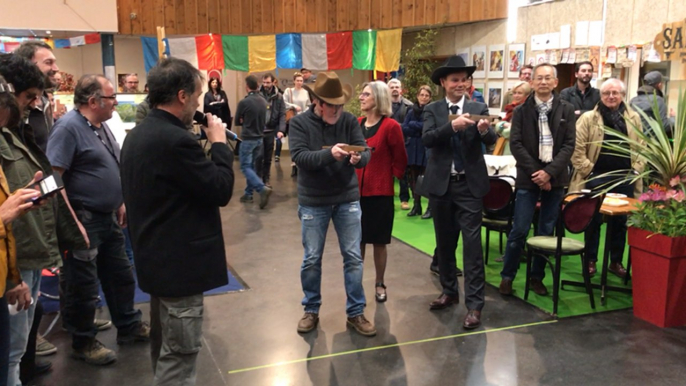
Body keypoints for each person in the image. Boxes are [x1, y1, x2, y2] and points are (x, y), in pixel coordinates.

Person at [121, 57, 234, 386]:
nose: (199, 103)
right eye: (197, 96)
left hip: (156, 262)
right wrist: (219, 144)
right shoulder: (175, 141)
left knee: (165, 348)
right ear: (182, 96)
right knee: (180, 358)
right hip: (179, 267)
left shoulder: (139, 134)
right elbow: (220, 189)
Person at [47, 74, 149, 366]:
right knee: (83, 284)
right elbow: (54, 178)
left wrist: (119, 200)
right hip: (84, 218)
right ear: (93, 101)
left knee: (120, 275)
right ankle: (83, 341)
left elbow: (111, 165)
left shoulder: (99, 126)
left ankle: (128, 326)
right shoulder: (68, 129)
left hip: (107, 217)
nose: (116, 103)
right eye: (110, 98)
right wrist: (71, 222)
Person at [0, 55, 88, 386]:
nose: (33, 104)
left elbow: (40, 177)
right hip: (15, 257)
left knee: (16, 348)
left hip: (29, 250)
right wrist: (12, 278)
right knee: (10, 352)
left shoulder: (12, 134)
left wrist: (40, 192)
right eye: (27, 98)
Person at [289, 72, 375, 336]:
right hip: (314, 201)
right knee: (312, 259)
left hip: (347, 199)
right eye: (332, 105)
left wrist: (356, 159)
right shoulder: (300, 124)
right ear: (318, 102)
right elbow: (300, 157)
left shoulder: (349, 121)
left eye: (340, 104)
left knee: (353, 257)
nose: (337, 110)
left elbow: (365, 151)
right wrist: (330, 154)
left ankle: (356, 312)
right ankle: (311, 309)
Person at [422, 55, 497, 330]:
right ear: (444, 83)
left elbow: (491, 141)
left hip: (469, 185)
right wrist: (450, 126)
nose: (461, 84)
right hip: (442, 185)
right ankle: (449, 291)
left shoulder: (479, 106)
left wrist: (486, 131)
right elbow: (427, 139)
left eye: (464, 79)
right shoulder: (432, 110)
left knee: (473, 246)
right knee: (444, 242)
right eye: (455, 80)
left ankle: (475, 305)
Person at [498, 63, 576, 297]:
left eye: (547, 78)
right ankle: (507, 277)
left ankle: (536, 277)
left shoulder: (567, 109)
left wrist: (549, 173)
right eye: (538, 78)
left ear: (555, 82)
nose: (543, 82)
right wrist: (538, 174)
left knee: (546, 230)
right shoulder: (521, 111)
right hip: (528, 179)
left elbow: (569, 145)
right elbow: (517, 145)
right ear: (531, 82)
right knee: (519, 229)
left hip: (556, 178)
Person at [0, 72, 48, 386]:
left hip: (12, 267)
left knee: (13, 354)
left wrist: (13, 278)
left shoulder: (14, 133)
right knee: (11, 357)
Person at [570, 79, 644, 278]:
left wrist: (636, 171)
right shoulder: (588, 118)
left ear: (622, 95)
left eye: (615, 93)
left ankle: (616, 261)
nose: (611, 96)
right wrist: (589, 171)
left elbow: (642, 148)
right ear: (600, 96)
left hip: (624, 178)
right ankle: (591, 260)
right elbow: (576, 149)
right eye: (606, 93)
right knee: (592, 220)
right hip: (595, 177)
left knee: (620, 222)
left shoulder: (634, 118)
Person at [356, 81, 407, 303]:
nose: (361, 97)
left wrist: (388, 176)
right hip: (355, 193)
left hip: (380, 193)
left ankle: (379, 282)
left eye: (366, 94)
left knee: (378, 241)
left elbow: (401, 159)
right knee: (356, 241)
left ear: (378, 98)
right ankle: (355, 283)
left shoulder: (391, 126)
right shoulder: (356, 124)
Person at [234, 75, 272, 208]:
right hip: (260, 139)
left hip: (248, 138)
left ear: (247, 87)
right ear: (258, 86)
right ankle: (248, 194)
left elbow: (237, 121)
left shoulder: (244, 102)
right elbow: (267, 120)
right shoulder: (263, 101)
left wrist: (244, 120)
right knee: (253, 167)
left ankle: (261, 189)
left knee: (245, 167)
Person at [402, 85, 432, 217]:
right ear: (417, 96)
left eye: (426, 95)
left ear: (430, 97)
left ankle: (430, 208)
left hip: (426, 148)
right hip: (413, 148)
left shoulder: (431, 111)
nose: (424, 98)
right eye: (422, 95)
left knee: (427, 178)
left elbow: (427, 127)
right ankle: (416, 205)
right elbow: (404, 127)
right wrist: (417, 128)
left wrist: (413, 125)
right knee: (413, 179)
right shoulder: (410, 111)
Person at [387, 79, 413, 211]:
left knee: (403, 173)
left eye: (397, 86)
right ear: (388, 90)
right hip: (386, 144)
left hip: (404, 142)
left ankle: (404, 199)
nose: (395, 89)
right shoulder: (383, 106)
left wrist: (395, 127)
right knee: (387, 173)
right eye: (392, 87)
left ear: (401, 89)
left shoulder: (409, 106)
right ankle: (388, 198)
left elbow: (410, 126)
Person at [257, 74, 286, 188]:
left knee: (268, 158)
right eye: (264, 82)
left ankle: (266, 179)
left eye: (268, 82)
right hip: (259, 130)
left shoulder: (278, 97)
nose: (265, 85)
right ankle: (258, 178)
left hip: (270, 130)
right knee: (259, 156)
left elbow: (282, 114)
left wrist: (281, 130)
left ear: (273, 82)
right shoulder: (258, 95)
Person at [630, 71, 675, 138]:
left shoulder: (633, 100)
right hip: (651, 145)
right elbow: (664, 126)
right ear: (659, 85)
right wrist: (673, 118)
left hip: (635, 142)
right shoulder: (658, 100)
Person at [283, 72, 311, 175]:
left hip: (303, 119)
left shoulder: (305, 92)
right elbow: (284, 103)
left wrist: (305, 111)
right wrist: (294, 106)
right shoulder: (289, 91)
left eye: (301, 81)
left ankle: (301, 163)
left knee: (303, 141)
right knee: (293, 142)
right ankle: (293, 165)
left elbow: (308, 104)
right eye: (298, 80)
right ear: (294, 81)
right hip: (292, 120)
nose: (299, 82)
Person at [495, 81, 533, 155]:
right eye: (514, 93)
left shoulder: (529, 109)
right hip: (507, 147)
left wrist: (505, 127)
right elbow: (497, 127)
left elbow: (511, 133)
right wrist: (504, 125)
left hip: (522, 148)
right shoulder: (511, 107)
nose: (516, 95)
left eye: (519, 93)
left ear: (527, 95)